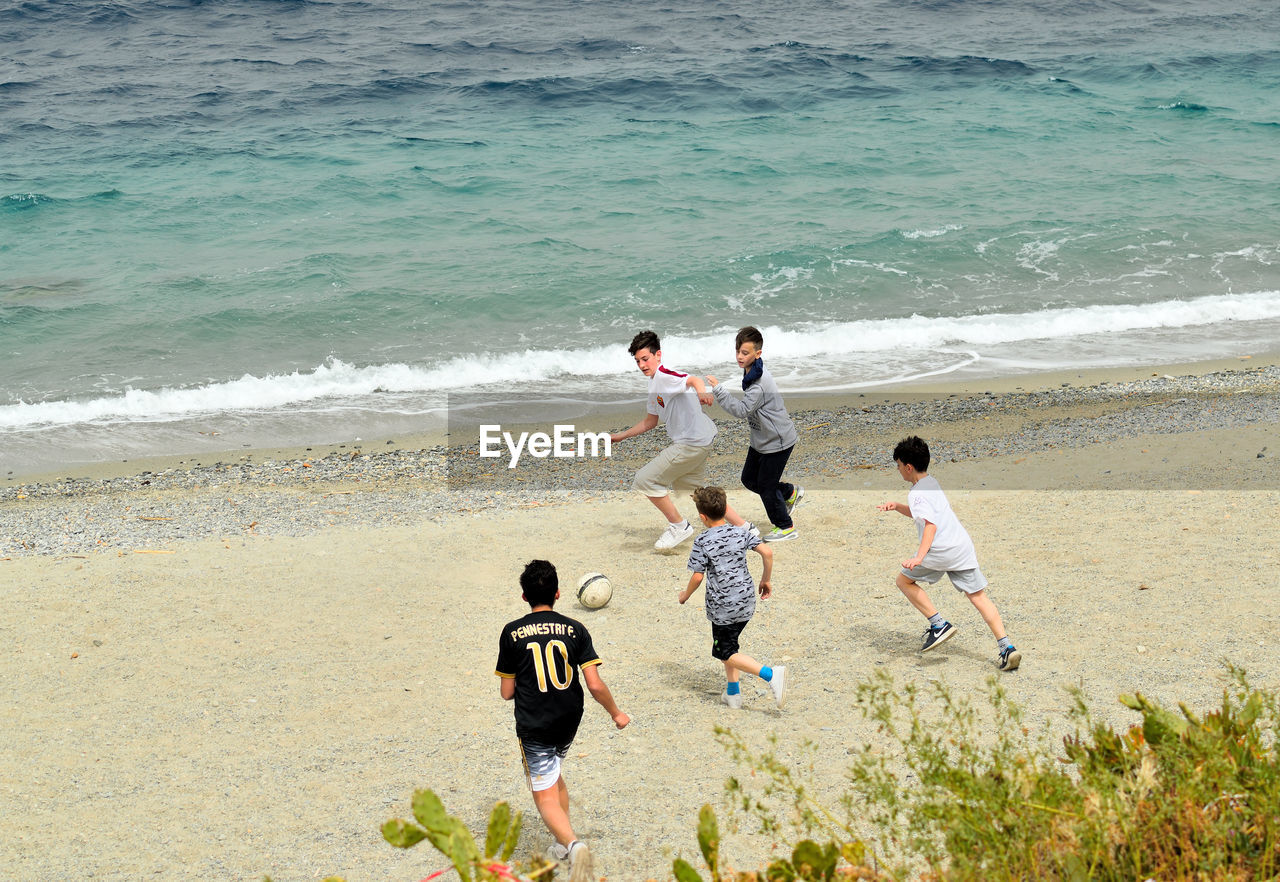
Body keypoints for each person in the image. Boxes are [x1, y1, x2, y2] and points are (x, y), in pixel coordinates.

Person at [496, 560, 630, 881]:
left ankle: (573, 845)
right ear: (557, 593)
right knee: (555, 775)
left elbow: (506, 691)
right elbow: (594, 684)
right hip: (569, 719)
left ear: (524, 596)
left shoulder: (512, 633)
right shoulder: (575, 629)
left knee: (542, 794)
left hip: (535, 723)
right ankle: (560, 842)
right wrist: (616, 713)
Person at [877, 436, 1022, 671]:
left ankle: (938, 624)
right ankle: (1007, 647)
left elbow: (930, 525)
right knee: (978, 597)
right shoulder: (930, 483)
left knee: (904, 580)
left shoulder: (916, 493)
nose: (898, 470)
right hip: (962, 547)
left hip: (940, 550)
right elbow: (923, 514)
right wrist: (896, 506)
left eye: (898, 465)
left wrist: (919, 557)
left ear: (908, 467)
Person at [610, 330, 758, 551]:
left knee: (645, 479)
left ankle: (679, 526)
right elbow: (650, 422)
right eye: (638, 361)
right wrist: (619, 437)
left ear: (658, 355)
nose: (642, 365)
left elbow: (693, 380)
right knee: (699, 493)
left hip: (692, 442)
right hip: (700, 439)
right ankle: (746, 529)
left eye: (645, 359)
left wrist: (701, 392)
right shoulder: (653, 385)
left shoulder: (664, 375)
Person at [679, 485, 788, 709]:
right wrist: (766, 580)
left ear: (702, 516)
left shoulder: (702, 541)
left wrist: (685, 595)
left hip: (723, 607)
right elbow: (767, 551)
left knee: (724, 652)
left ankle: (770, 674)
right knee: (730, 645)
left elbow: (698, 577)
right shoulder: (739, 531)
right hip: (746, 600)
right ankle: (733, 693)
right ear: (725, 508)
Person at [707, 325, 804, 542]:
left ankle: (786, 526)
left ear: (757, 354)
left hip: (777, 441)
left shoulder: (760, 383)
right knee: (749, 479)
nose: (740, 357)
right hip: (761, 439)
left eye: (745, 353)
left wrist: (719, 390)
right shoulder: (752, 369)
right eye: (738, 351)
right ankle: (789, 493)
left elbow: (742, 410)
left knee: (766, 486)